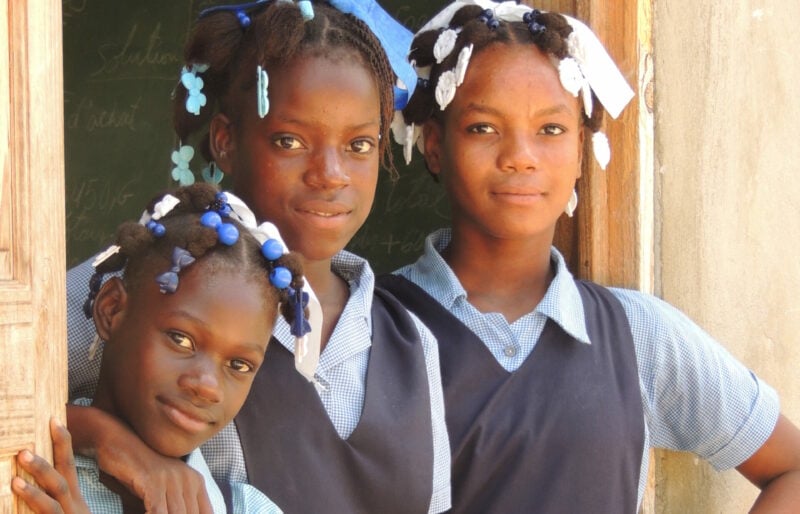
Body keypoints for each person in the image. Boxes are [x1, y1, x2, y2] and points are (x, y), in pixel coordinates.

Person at [378, 1, 800, 512]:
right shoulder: (374, 329)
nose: (520, 155)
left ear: (581, 150)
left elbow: (790, 467)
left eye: (550, 130)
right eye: (483, 128)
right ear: (434, 146)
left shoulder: (638, 335)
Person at [65, 1, 450, 513]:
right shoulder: (161, 280)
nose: (331, 173)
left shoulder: (412, 342)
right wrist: (108, 440)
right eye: (291, 140)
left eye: (359, 144)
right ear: (225, 142)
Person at [19, 183, 299, 513]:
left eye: (239, 365)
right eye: (181, 340)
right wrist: (99, 435)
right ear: (111, 310)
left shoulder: (250, 509)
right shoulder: (27, 472)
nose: (208, 387)